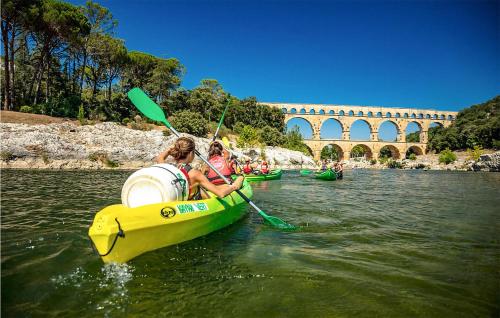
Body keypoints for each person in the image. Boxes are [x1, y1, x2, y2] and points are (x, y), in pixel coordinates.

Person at [156, 137, 244, 199]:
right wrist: (233, 187)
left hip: (183, 197)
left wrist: (170, 149)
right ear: (191, 153)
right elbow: (220, 194)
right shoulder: (194, 173)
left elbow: (160, 158)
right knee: (239, 179)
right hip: (197, 199)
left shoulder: (169, 168)